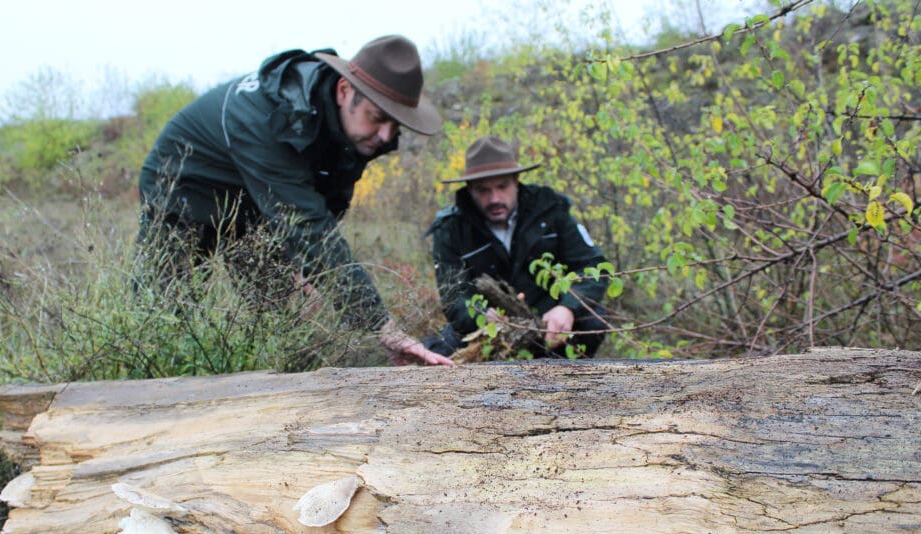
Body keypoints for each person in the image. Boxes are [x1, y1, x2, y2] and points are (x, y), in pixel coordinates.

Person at [137, 35, 452, 366]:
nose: (386, 135)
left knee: (275, 317)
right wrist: (381, 324)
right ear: (345, 91)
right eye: (377, 117)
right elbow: (308, 226)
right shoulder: (266, 119)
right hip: (181, 190)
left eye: (395, 123)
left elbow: (326, 207)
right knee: (162, 319)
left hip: (256, 205)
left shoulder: (352, 128)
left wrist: (302, 267)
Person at [425, 135, 609, 357]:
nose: (494, 198)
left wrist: (567, 307)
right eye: (483, 190)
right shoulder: (451, 229)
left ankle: (569, 379)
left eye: (502, 186)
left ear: (516, 180)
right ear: (469, 188)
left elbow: (593, 267)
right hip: (487, 331)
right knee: (439, 351)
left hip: (549, 325)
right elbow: (453, 299)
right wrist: (482, 316)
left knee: (593, 319)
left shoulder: (550, 210)